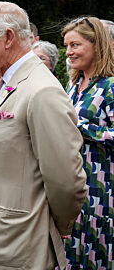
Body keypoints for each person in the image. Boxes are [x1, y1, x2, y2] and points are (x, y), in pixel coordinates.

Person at [0, 1, 87, 270]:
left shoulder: (41, 91)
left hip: (17, 249)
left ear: (8, 38)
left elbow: (66, 181)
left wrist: (56, 225)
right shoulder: (8, 80)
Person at [62, 16, 114, 270]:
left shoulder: (110, 86)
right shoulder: (73, 86)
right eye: (67, 46)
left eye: (75, 45)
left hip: (101, 190)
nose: (68, 52)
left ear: (97, 46)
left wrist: (83, 129)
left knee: (95, 254)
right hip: (72, 185)